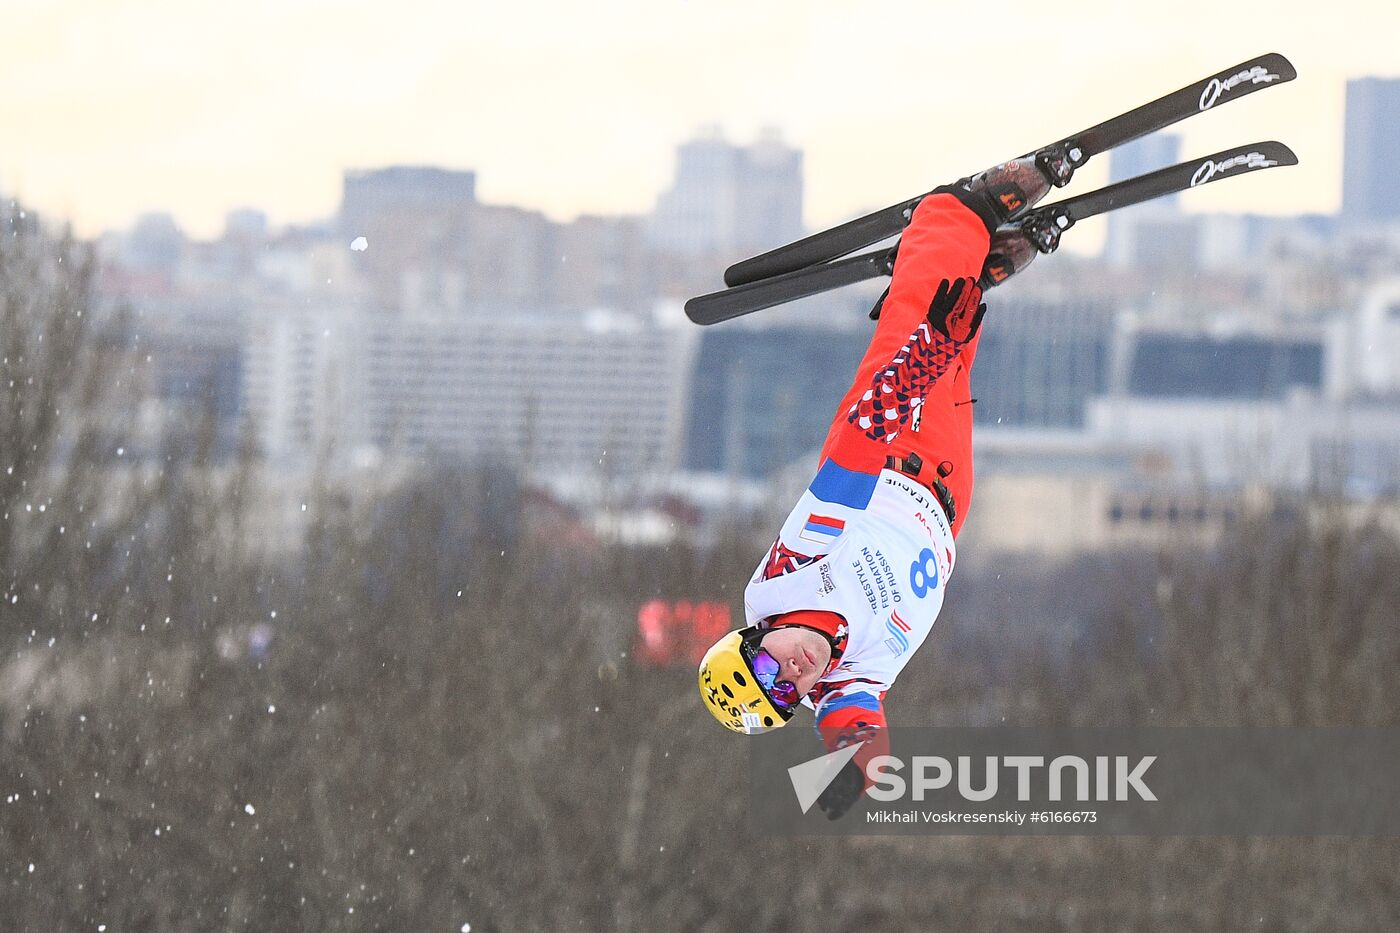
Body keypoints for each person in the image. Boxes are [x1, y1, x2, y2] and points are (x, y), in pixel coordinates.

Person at [696, 156, 1054, 818]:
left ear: (754, 636)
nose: (793, 674)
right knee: (956, 342)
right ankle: (967, 273)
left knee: (921, 325)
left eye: (768, 668)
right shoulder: (843, 681)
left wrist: (920, 356)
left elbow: (859, 446)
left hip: (888, 450)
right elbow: (859, 733)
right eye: (784, 696)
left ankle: (953, 215)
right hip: (947, 498)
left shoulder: (783, 582)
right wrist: (852, 777)